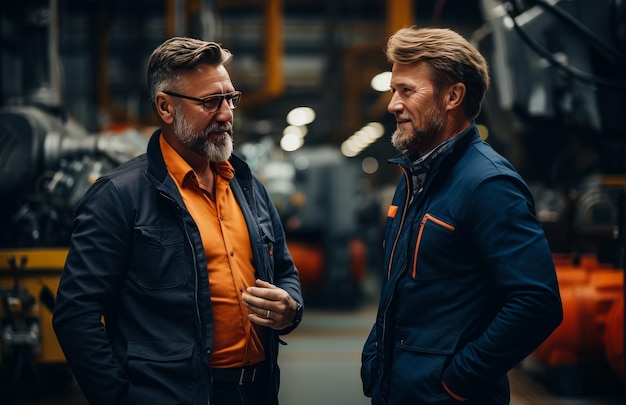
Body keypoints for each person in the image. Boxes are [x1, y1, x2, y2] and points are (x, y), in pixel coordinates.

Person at [52, 37, 304, 405]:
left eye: (230, 98)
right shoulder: (119, 197)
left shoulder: (247, 186)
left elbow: (285, 272)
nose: (226, 114)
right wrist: (119, 398)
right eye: (209, 102)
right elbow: (76, 315)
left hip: (257, 391)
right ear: (165, 107)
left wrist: (289, 309)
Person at [360, 26, 563, 404]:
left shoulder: (488, 185)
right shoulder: (413, 177)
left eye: (407, 90)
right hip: (398, 390)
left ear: (453, 95)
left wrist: (458, 380)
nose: (393, 104)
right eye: (393, 90)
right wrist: (376, 354)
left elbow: (536, 303)